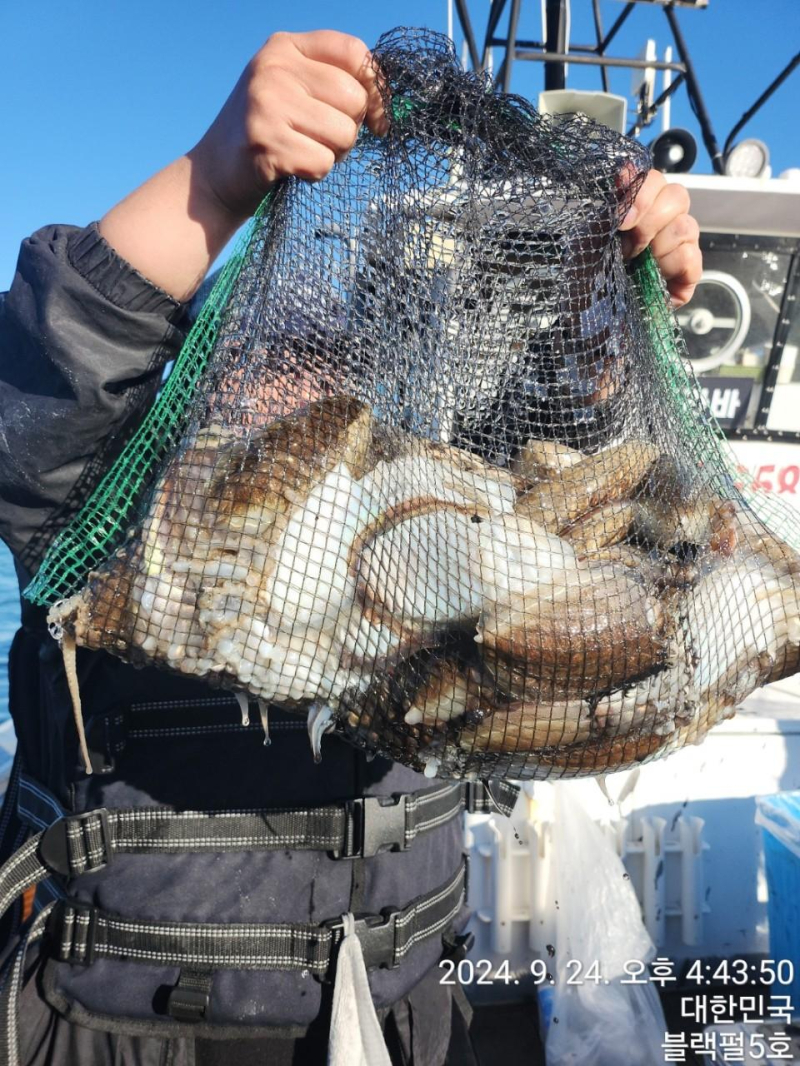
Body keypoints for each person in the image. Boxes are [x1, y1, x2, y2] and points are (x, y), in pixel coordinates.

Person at [0, 29, 702, 1066]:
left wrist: (613, 274)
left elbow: (596, 490)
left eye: (338, 374)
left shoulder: (446, 512)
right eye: (269, 367)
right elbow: (56, 365)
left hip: (402, 1006)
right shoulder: (104, 509)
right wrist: (217, 175)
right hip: (136, 1026)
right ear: (195, 383)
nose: (309, 397)